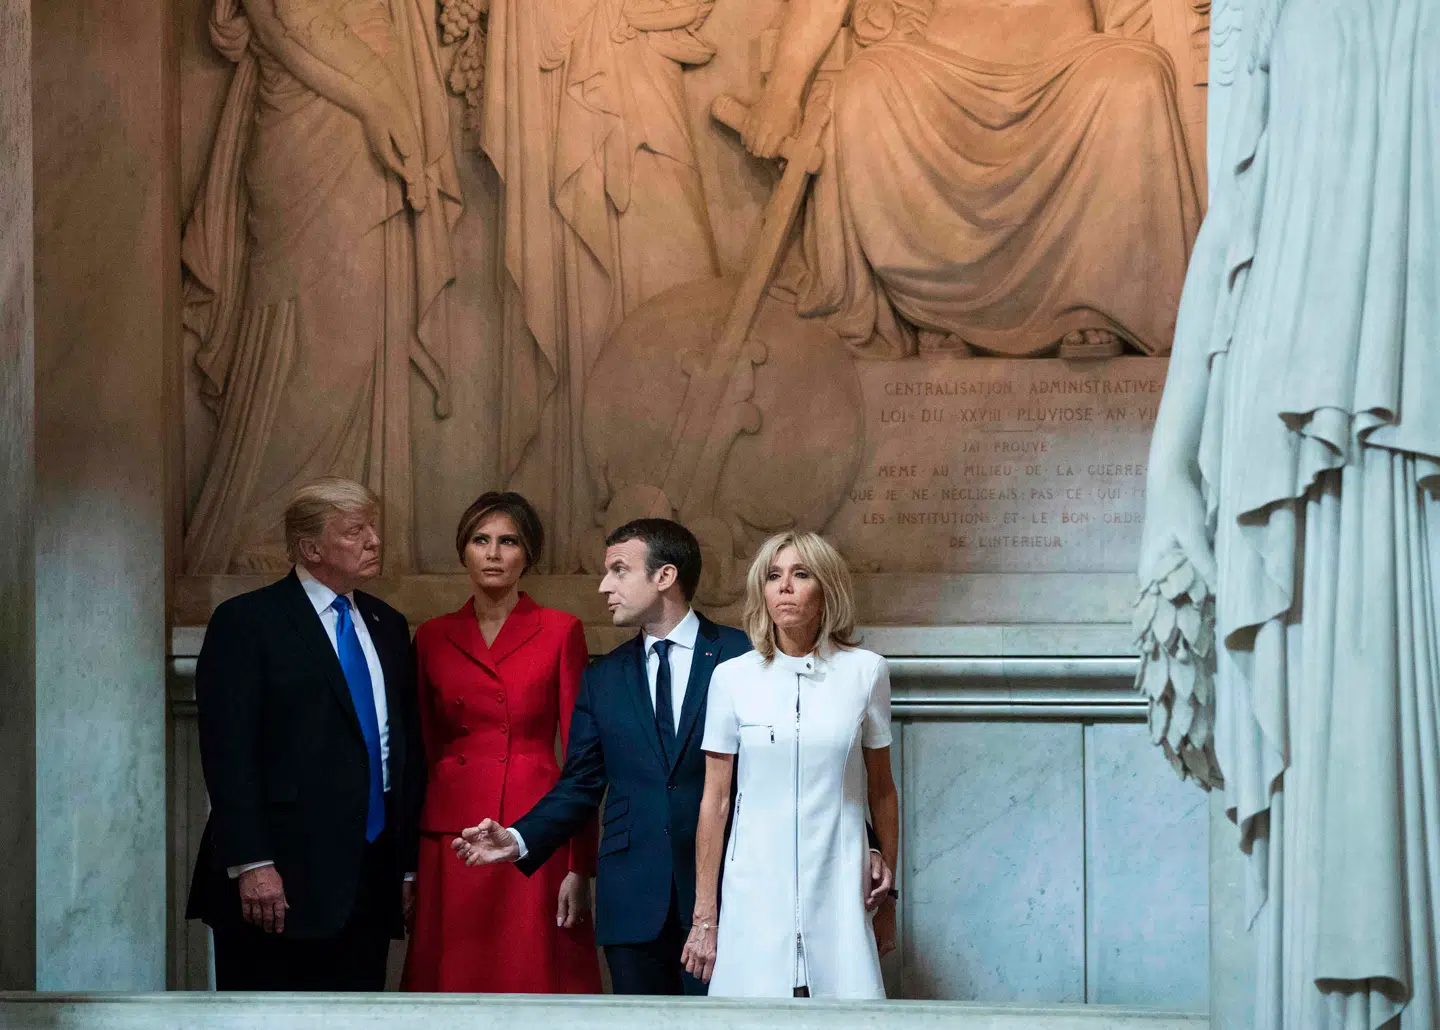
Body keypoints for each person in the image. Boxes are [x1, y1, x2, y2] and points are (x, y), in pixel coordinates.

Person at [1137, 2, 1440, 1028]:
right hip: (1285, 409)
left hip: (1425, 400)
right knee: (1321, 760)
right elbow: (1232, 212)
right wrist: (1167, 460)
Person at [741, 0, 1199, 358]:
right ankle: (937, 311)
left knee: (1135, 78)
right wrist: (783, 91)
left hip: (1069, 57)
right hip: (938, 59)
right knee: (865, 86)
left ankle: (1093, 304)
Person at [182, 0, 460, 574]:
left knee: (360, 340)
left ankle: (346, 532)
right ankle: (273, 523)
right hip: (313, 127)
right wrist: (380, 100)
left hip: (369, 134)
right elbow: (285, 27)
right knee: (316, 343)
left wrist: (388, 105)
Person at [450, 519, 752, 994]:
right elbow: (580, 785)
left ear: (664, 576)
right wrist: (517, 837)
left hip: (731, 893)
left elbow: (793, 764)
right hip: (632, 899)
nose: (603, 586)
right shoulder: (604, 677)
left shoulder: (744, 656)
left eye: (618, 570)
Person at [185, 477, 425, 990]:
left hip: (368, 875)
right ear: (311, 548)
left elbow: (399, 750)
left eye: (373, 528)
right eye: (355, 531)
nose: (374, 541)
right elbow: (228, 754)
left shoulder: (387, 623)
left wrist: (407, 867)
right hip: (278, 882)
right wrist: (252, 862)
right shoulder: (248, 621)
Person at [682, 531, 898, 998]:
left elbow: (882, 788)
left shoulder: (866, 672)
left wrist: (890, 898)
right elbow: (715, 801)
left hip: (839, 875)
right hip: (754, 881)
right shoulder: (732, 678)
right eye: (773, 576)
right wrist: (706, 913)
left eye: (801, 575)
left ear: (827, 590)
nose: (784, 587)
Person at [400, 492, 600, 992]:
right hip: (452, 833)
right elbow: (418, 754)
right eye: (480, 540)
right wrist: (406, 867)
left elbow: (582, 758)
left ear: (527, 554)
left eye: (508, 541)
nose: (493, 553)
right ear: (463, 551)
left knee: (528, 972)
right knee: (454, 978)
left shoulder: (560, 630)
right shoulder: (431, 636)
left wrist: (580, 865)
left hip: (534, 830)